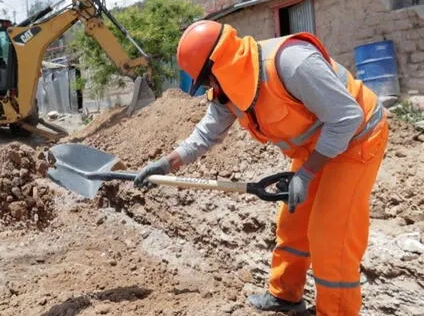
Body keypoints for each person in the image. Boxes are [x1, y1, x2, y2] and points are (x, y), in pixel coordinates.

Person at [134, 21, 388, 315]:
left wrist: (306, 174)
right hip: (317, 146)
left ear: (219, 66)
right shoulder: (229, 92)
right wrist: (168, 163)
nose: (209, 88)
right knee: (293, 224)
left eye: (207, 80)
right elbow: (206, 134)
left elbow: (346, 118)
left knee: (331, 237)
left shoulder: (291, 63)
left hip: (357, 138)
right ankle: (286, 296)